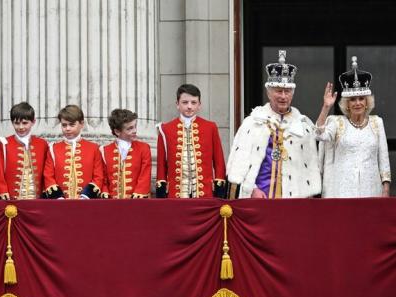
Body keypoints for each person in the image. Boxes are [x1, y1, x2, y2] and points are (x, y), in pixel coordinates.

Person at [226, 50, 321, 199]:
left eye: (287, 91)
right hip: (260, 198)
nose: (283, 96)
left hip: (294, 201)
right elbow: (239, 164)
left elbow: (308, 168)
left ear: (293, 94)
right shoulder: (252, 123)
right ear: (269, 93)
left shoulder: (304, 125)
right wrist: (251, 189)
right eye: (278, 91)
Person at [315, 56, 390, 198]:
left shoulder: (377, 123)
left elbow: (384, 159)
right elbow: (319, 134)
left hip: (371, 190)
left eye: (361, 99)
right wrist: (326, 107)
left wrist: (385, 188)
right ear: (347, 104)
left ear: (367, 102)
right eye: (352, 100)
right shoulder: (337, 123)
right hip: (342, 190)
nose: (357, 103)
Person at [156, 84, 226, 198]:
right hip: (175, 194)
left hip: (205, 193)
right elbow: (161, 164)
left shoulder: (210, 127)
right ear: (177, 104)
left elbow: (219, 161)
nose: (189, 106)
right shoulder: (165, 129)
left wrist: (219, 190)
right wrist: (161, 192)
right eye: (185, 102)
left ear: (199, 105)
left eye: (193, 102)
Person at [43, 105, 105, 199]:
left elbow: (99, 176)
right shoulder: (53, 149)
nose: (67, 128)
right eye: (64, 125)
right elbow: (48, 176)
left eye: (72, 125)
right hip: (60, 204)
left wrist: (85, 196)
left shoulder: (94, 148)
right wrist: (59, 198)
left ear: (81, 124)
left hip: (87, 203)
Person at [0, 102, 48, 200]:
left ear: (33, 121)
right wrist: (2, 190)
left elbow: (46, 172)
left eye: (25, 123)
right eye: (17, 123)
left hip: (38, 200)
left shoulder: (42, 144)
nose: (21, 127)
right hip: (11, 200)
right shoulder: (4, 143)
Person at [99, 108, 151, 199]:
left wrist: (139, 192)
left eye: (135, 126)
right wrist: (105, 192)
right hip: (112, 204)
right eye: (129, 128)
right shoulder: (105, 150)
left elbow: (145, 174)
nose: (134, 130)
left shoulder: (144, 148)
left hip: (137, 202)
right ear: (117, 131)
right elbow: (103, 178)